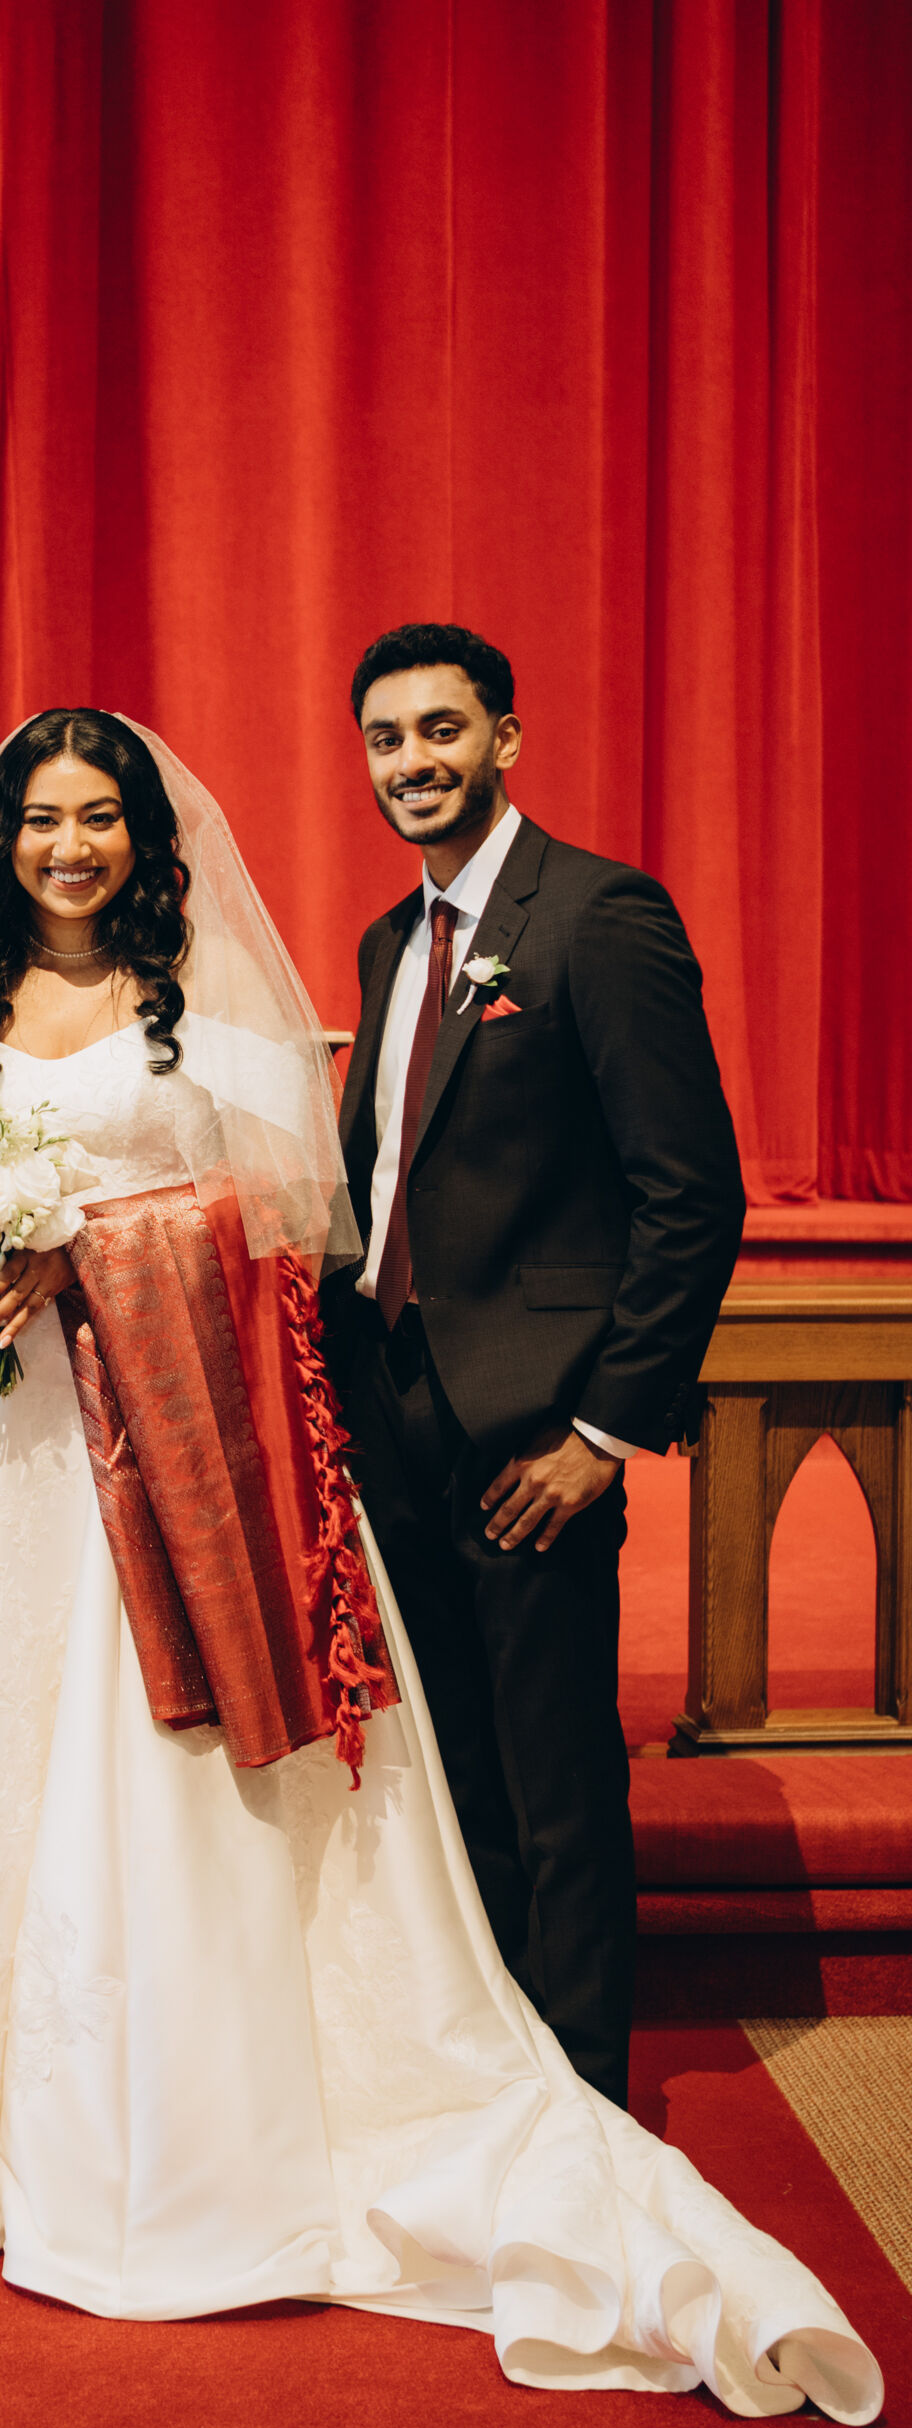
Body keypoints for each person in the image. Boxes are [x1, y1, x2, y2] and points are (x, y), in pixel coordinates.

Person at [0, 709, 879, 2423]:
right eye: (42, 820)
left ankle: (193, 2122)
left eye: (101, 818)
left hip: (169, 1449)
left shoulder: (197, 994)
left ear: (146, 837)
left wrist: (82, 1248)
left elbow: (293, 1227)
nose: (71, 846)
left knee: (165, 1783)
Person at [323, 624, 745, 2113]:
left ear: (505, 737)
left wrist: (602, 1433)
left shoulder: (598, 915)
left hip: (536, 1431)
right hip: (394, 1412)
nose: (413, 762)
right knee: (454, 1771)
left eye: (442, 730)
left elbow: (692, 1195)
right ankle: (496, 2070)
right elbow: (383, 1182)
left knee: (557, 1775)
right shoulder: (391, 942)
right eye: (386, 739)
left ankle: (587, 2102)